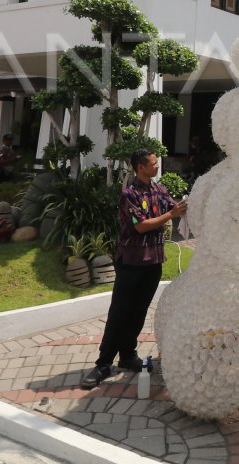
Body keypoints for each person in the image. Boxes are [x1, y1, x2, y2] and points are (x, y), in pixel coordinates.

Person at [81, 148, 187, 390]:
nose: (157, 166)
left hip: (153, 263)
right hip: (131, 263)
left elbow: (175, 208)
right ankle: (103, 363)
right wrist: (170, 214)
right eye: (153, 163)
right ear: (141, 167)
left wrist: (188, 204)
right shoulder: (129, 194)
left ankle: (128, 355)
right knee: (120, 313)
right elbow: (140, 226)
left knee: (138, 312)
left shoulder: (159, 190)